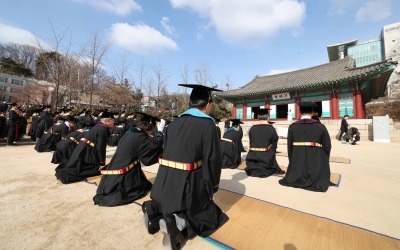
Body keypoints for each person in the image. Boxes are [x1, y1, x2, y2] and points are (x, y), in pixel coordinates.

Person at [142, 84, 228, 249]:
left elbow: (166, 149)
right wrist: (213, 185)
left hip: (165, 179)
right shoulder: (207, 125)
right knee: (211, 215)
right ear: (208, 102)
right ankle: (176, 223)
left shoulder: (173, 123)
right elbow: (212, 159)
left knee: (168, 200)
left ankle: (153, 210)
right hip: (189, 179)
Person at [93, 113, 164, 207]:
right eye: (152, 130)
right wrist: (160, 133)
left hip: (120, 164)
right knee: (131, 191)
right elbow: (153, 147)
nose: (151, 133)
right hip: (122, 173)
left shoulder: (131, 132)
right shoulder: (140, 136)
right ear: (149, 128)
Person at [279, 102, 331, 192]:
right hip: (316, 161)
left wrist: (292, 162)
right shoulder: (321, 127)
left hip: (297, 161)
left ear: (299, 111)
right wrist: (324, 161)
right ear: (312, 112)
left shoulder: (292, 127)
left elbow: (289, 147)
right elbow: (327, 146)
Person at [55, 111, 114, 184]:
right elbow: (101, 147)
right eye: (112, 120)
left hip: (84, 147)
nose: (113, 122)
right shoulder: (103, 130)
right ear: (108, 120)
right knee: (91, 169)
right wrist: (102, 163)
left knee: (77, 165)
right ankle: (64, 174)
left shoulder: (98, 126)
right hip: (87, 150)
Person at [245, 109, 284, 177]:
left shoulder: (252, 128)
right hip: (265, 158)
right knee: (271, 150)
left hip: (251, 157)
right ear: (268, 117)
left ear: (258, 118)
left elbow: (251, 142)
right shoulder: (271, 129)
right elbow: (274, 143)